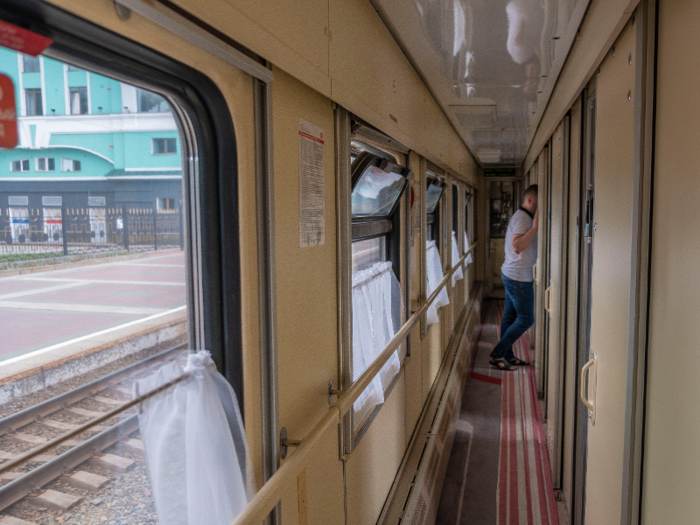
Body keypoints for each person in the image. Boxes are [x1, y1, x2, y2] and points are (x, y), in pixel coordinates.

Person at [490, 184, 539, 371]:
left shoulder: (523, 217)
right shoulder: (522, 219)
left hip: (514, 274)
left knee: (509, 317)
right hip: (518, 277)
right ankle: (497, 354)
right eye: (539, 203)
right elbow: (518, 246)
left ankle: (507, 355)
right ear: (529, 200)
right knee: (526, 319)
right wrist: (534, 228)